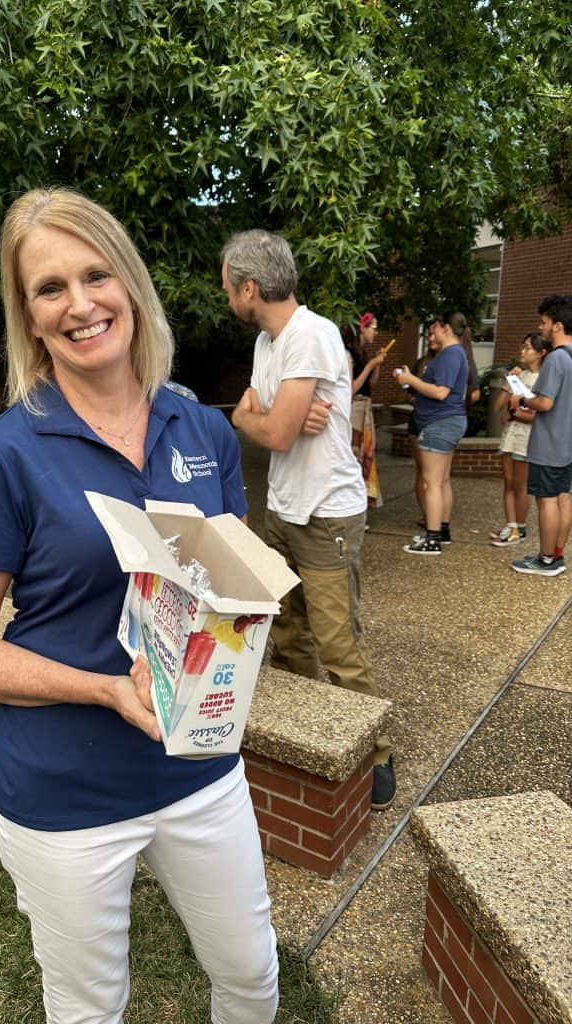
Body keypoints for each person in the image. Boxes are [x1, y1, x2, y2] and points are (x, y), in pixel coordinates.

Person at [0, 187, 279, 1024]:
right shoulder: (6, 454)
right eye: (51, 289)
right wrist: (102, 688)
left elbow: (218, 582)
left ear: (130, 283)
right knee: (89, 1009)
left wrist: (241, 624)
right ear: (30, 316)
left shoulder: (202, 429)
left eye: (96, 275)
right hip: (65, 789)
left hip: (198, 767)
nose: (81, 304)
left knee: (251, 978)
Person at [221, 229, 395, 810]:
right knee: (289, 631)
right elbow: (255, 416)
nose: (228, 300)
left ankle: (377, 752)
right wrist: (265, 419)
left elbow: (270, 429)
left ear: (250, 287)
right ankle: (306, 737)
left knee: (337, 642)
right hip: (283, 508)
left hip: (327, 516)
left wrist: (265, 421)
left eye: (229, 289)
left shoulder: (311, 336)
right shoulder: (268, 346)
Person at [396, 312, 469, 554]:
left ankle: (432, 539)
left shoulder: (450, 354)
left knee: (432, 483)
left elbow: (440, 392)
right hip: (448, 422)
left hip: (439, 423)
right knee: (442, 480)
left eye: (435, 328)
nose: (432, 333)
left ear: (446, 328)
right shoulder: (457, 354)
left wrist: (410, 379)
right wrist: (413, 381)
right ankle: (442, 530)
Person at [510, 295, 572, 577]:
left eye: (544, 322)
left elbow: (545, 403)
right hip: (567, 443)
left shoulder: (557, 359)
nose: (541, 327)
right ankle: (557, 554)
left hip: (549, 443)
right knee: (563, 498)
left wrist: (523, 398)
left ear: (557, 325)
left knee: (546, 500)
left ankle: (546, 560)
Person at [490, 333, 550, 547]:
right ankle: (511, 523)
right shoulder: (520, 376)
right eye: (522, 347)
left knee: (520, 484)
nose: (522, 352)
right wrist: (509, 383)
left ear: (541, 353)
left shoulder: (544, 379)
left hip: (527, 439)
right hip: (510, 435)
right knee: (508, 481)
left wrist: (515, 414)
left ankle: (519, 526)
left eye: (527, 348)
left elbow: (538, 416)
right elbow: (498, 408)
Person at [344, 311, 387, 508]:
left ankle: (360, 505)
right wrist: (371, 365)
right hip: (354, 411)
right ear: (362, 327)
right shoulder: (348, 353)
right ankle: (352, 506)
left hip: (364, 409)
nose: (376, 333)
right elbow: (350, 389)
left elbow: (371, 384)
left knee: (365, 458)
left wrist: (376, 365)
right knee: (353, 458)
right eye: (374, 329)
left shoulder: (362, 352)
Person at [408, 322, 442, 526]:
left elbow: (472, 393)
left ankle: (436, 521)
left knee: (437, 477)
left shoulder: (453, 361)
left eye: (433, 333)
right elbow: (409, 392)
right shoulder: (421, 363)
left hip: (440, 425)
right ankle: (428, 516)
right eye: (427, 334)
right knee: (423, 472)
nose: (430, 338)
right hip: (418, 423)